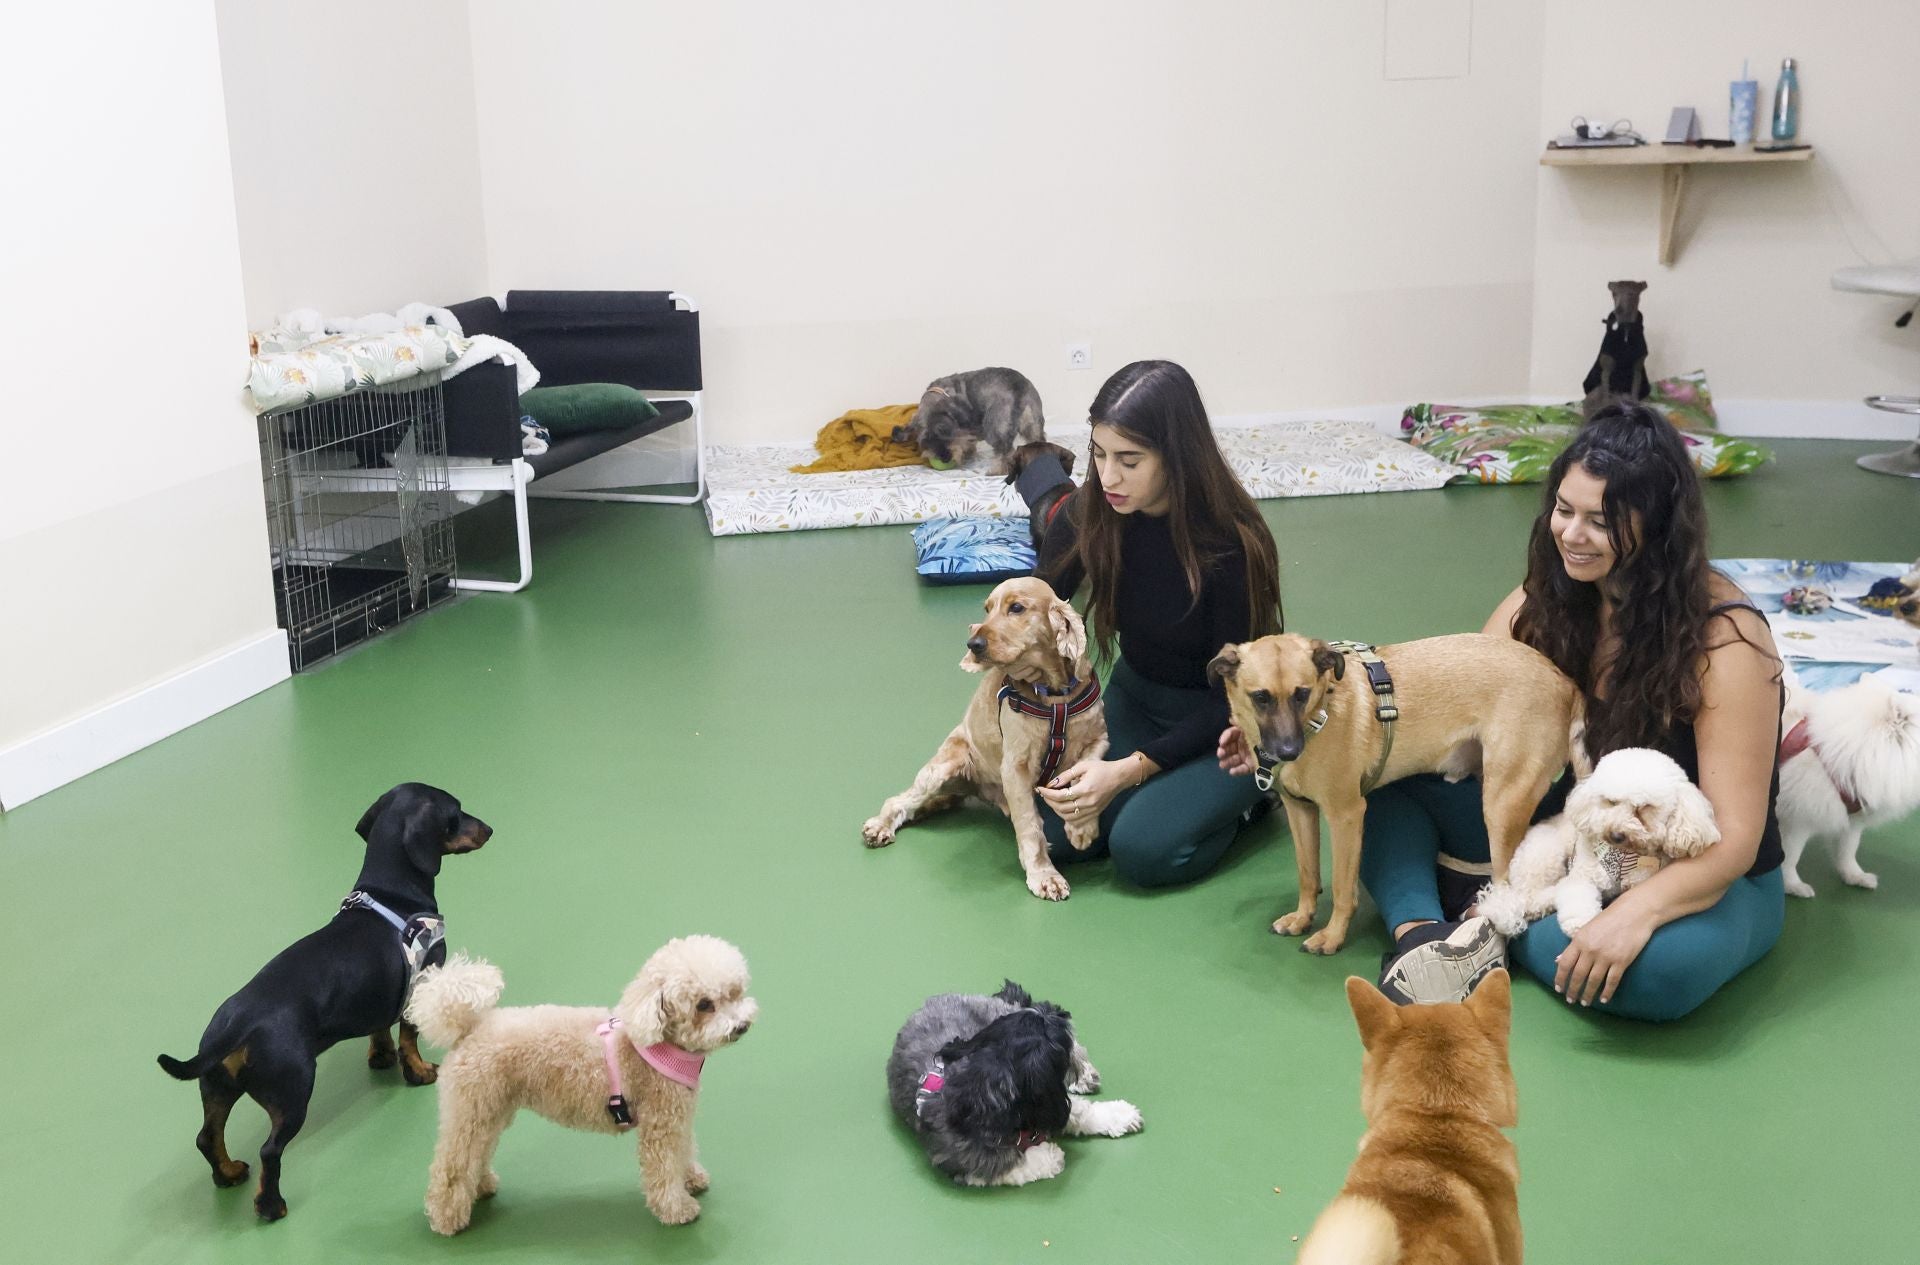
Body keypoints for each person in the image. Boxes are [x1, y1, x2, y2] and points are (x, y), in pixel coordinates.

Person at [1223, 402, 1786, 1021]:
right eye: (1563, 512)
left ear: (1656, 526)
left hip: (1692, 864)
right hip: (1567, 828)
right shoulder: (1548, 597)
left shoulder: (1727, 645)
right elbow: (1466, 689)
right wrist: (1277, 731)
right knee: (1368, 782)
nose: (1572, 535)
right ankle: (1426, 936)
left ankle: (1482, 923)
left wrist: (1636, 913)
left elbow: (1735, 839)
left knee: (1655, 976)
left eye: (1599, 521)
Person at [1016, 360, 1284, 887]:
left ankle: (1254, 801)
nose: (1108, 476)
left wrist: (1125, 772)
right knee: (1051, 831)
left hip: (1227, 726)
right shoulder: (1087, 514)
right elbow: (1035, 610)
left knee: (1142, 852)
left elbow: (1232, 699)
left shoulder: (1232, 546)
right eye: (1098, 454)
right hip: (1137, 699)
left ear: (1176, 458)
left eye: (1129, 460)